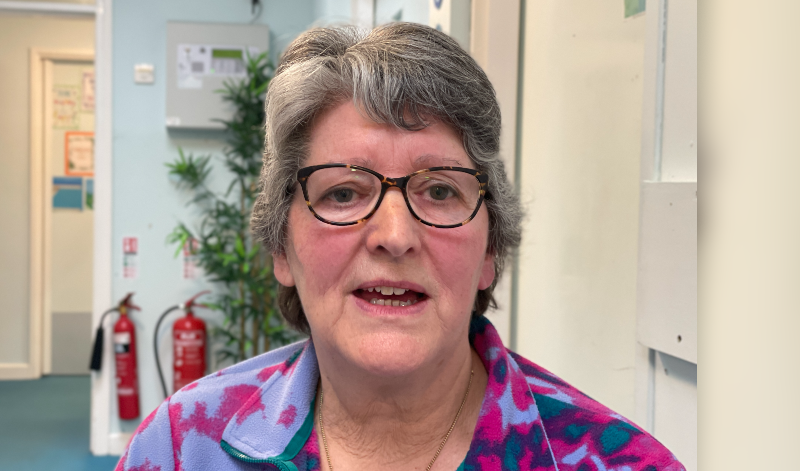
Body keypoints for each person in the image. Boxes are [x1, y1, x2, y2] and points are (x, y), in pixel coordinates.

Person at [117, 23, 684, 471]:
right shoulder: (182, 448)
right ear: (281, 247)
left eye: (439, 190)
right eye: (343, 192)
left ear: (491, 250)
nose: (394, 236)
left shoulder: (615, 461)